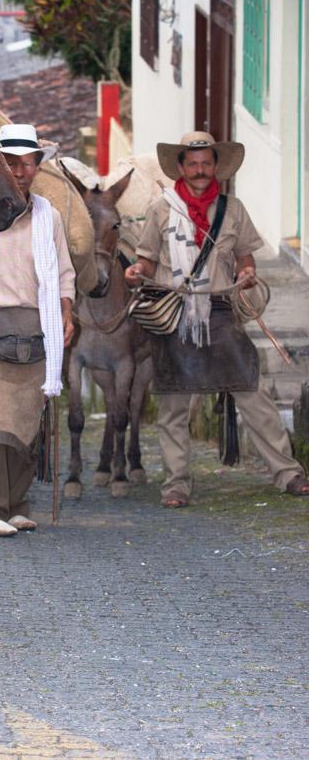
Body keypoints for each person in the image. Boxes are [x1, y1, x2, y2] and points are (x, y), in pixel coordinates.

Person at [124, 131, 309, 507]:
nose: (200, 170)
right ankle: (175, 484)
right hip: (174, 313)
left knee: (252, 391)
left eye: (206, 163)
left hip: (220, 312)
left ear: (216, 167)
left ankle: (288, 473)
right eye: (192, 163)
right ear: (181, 167)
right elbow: (146, 258)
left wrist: (246, 273)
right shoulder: (162, 209)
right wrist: (136, 271)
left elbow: (245, 256)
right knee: (173, 404)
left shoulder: (233, 209)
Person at [0, 124, 76, 536]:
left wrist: (65, 313)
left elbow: (64, 275)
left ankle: (15, 505)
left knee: (28, 422)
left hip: (40, 328)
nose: (19, 170)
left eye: (26, 163)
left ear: (35, 167)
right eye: (10, 162)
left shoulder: (50, 218)